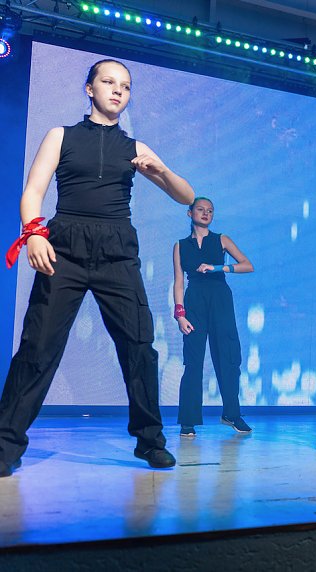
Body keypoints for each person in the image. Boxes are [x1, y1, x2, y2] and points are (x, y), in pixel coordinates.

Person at [0, 59, 195, 477]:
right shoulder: (61, 136)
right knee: (38, 347)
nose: (117, 90)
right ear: (90, 89)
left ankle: (150, 441)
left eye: (125, 86)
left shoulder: (136, 148)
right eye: (108, 82)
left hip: (117, 250)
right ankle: (5, 444)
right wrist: (34, 232)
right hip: (64, 247)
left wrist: (160, 170)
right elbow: (33, 190)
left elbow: (186, 196)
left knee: (139, 346)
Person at [173, 197, 254, 438]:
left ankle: (231, 414)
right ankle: (188, 420)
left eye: (210, 211)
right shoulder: (180, 245)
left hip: (220, 297)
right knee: (193, 361)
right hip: (194, 299)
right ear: (190, 213)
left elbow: (247, 265)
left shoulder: (221, 240)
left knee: (228, 356)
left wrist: (219, 268)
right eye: (200, 209)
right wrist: (180, 314)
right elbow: (178, 281)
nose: (206, 213)